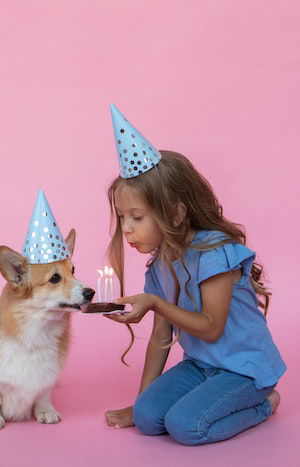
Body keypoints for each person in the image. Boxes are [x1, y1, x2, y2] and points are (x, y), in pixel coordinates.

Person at [102, 104, 286, 446]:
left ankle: (265, 404)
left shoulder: (215, 252)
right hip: (201, 366)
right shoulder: (158, 266)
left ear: (175, 212)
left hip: (244, 370)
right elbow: (161, 335)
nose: (126, 229)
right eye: (122, 217)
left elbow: (211, 327)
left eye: (137, 217)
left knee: (186, 427)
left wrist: (156, 303)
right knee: (147, 419)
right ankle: (163, 403)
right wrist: (141, 401)